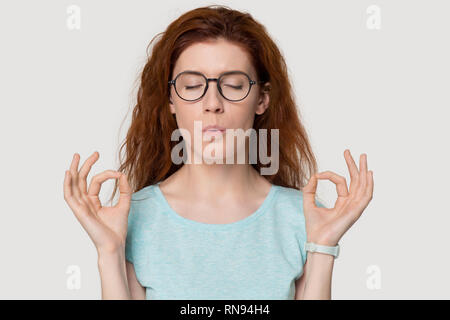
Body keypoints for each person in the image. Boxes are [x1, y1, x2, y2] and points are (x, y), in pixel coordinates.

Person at [63, 5, 373, 300]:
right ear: (171, 99)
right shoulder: (133, 219)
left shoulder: (303, 217)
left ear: (262, 100)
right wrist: (109, 251)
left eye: (234, 85)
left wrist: (323, 247)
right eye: (193, 85)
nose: (213, 103)